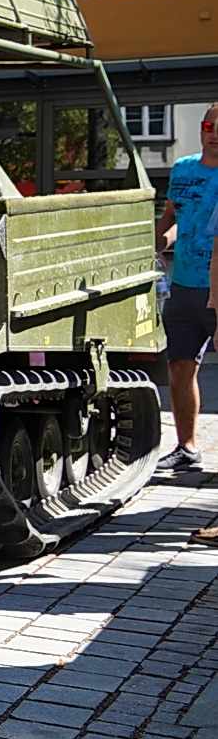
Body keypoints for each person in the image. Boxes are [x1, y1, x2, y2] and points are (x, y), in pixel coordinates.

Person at [155, 102, 218, 471]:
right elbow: (174, 216)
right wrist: (160, 241)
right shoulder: (183, 169)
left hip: (217, 288)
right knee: (180, 367)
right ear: (201, 129)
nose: (215, 134)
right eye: (210, 126)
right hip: (183, 287)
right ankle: (187, 448)